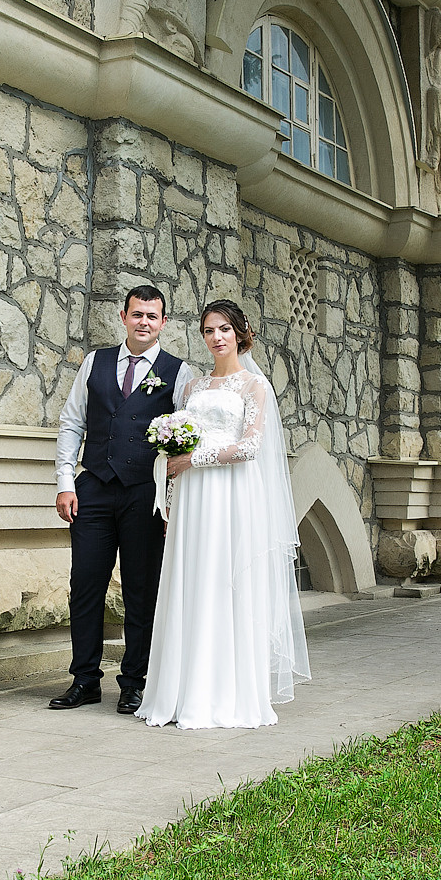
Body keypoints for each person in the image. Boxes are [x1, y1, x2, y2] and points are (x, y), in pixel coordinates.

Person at [138, 300, 311, 728]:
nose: (216, 338)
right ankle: (181, 693)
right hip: (192, 501)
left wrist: (193, 460)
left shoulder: (255, 387)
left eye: (224, 329)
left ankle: (225, 695)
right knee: (190, 581)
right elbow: (177, 446)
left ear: (239, 333)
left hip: (231, 497)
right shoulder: (192, 388)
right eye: (208, 331)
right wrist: (171, 488)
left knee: (225, 583)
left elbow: (251, 448)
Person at [50, 286, 192, 713]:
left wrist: (171, 502)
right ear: (123, 316)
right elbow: (72, 421)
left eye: (152, 316)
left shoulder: (178, 372)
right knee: (85, 586)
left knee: (141, 589)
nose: (144, 322)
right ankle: (85, 680)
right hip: (92, 487)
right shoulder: (95, 362)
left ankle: (134, 681)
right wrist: (65, 480)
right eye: (137, 314)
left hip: (143, 495)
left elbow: (183, 440)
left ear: (164, 322)